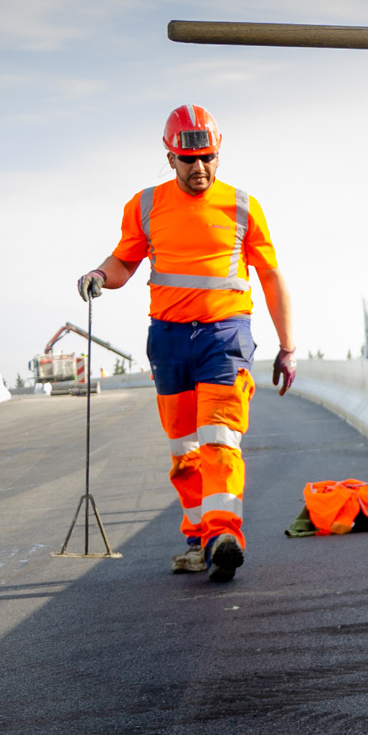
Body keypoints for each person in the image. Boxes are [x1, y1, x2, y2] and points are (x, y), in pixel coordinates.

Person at [76, 105, 296, 582]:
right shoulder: (145, 205)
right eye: (188, 159)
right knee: (184, 450)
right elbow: (123, 262)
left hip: (225, 336)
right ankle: (199, 540)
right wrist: (98, 274)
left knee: (220, 439)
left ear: (218, 154)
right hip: (169, 340)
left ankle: (224, 536)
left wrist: (287, 346)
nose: (200, 169)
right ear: (169, 155)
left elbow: (271, 276)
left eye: (208, 158)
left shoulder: (241, 205)